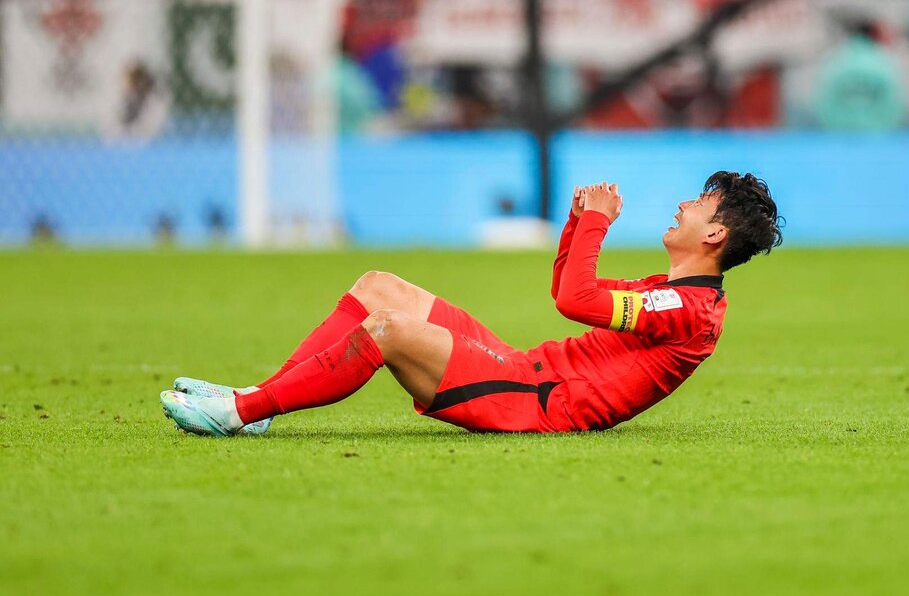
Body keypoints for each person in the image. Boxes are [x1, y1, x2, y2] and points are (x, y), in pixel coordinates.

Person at [160, 172, 783, 436]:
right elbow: (567, 292)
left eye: (700, 203)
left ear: (714, 234)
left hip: (537, 406)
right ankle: (264, 402)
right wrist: (574, 223)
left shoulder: (688, 310)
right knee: (379, 285)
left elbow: (575, 300)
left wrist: (596, 223)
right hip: (526, 373)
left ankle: (240, 412)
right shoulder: (674, 292)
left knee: (388, 330)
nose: (683, 205)